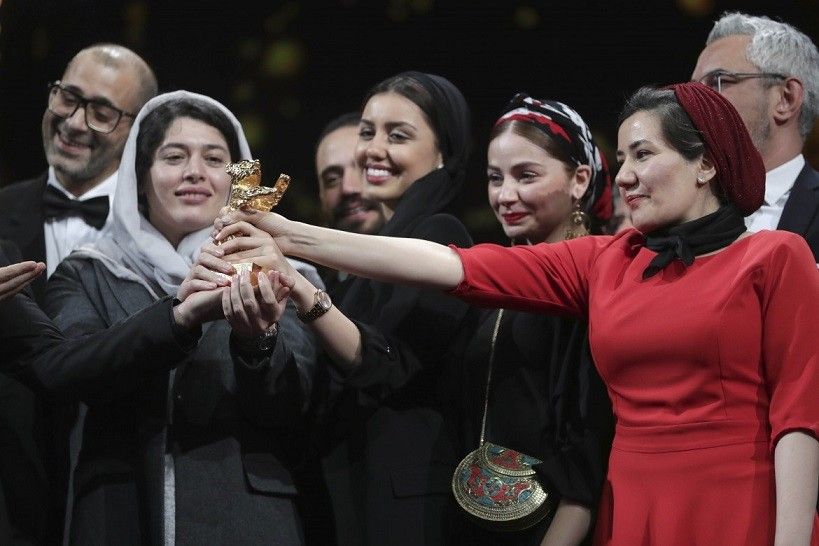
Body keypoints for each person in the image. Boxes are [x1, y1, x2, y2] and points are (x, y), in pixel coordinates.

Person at [214, 82, 819, 546]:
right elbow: (454, 266)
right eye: (623, 157)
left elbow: (798, 419)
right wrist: (290, 234)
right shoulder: (608, 260)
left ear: (706, 163)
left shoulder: (774, 256)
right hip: (631, 509)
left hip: (738, 503)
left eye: (643, 154)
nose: (626, 175)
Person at [211, 71, 476, 545]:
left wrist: (296, 284)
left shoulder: (441, 236)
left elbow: (386, 366)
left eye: (398, 136)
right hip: (353, 498)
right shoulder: (370, 258)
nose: (374, 149)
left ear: (443, 153)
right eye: (368, 132)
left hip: (409, 511)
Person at [45, 91, 318, 545]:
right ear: (139, 176)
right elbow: (69, 374)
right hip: (118, 516)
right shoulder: (88, 271)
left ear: (239, 178)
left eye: (214, 158)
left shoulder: (284, 273)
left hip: (247, 523)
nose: (195, 171)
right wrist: (178, 318)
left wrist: (257, 343)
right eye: (174, 157)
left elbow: (298, 409)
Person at [0, 43, 157, 545]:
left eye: (101, 112)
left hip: (124, 496)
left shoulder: (164, 230)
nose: (73, 122)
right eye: (67, 97)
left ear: (137, 130)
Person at [454, 94, 613, 545]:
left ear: (579, 180)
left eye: (526, 176)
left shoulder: (595, 289)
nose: (505, 196)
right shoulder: (491, 288)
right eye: (495, 178)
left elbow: (587, 467)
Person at [692, 12, 819, 259]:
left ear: (786, 98)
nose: (693, 102)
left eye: (718, 81)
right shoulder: (680, 210)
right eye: (694, 89)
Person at [314, 112, 385, 298]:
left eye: (364, 168)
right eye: (332, 179)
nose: (348, 188)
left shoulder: (436, 268)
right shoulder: (311, 296)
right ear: (321, 196)